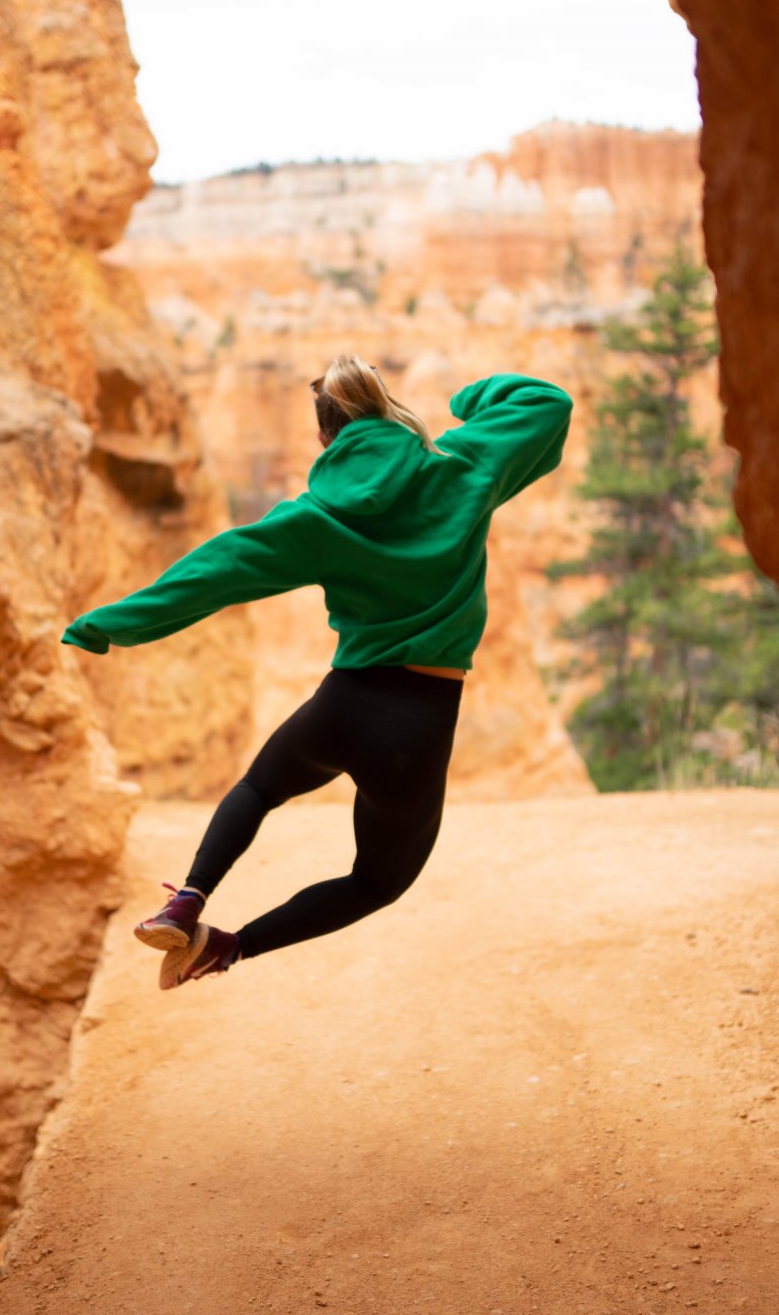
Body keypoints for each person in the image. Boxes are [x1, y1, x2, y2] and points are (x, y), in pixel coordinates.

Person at [62, 353, 573, 989]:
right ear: (385, 408)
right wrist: (472, 399)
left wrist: (110, 623)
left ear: (325, 437)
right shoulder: (461, 468)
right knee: (378, 881)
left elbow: (215, 570)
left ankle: (188, 899)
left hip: (346, 703)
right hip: (419, 725)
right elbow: (548, 405)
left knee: (258, 789)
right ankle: (226, 948)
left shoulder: (316, 517)